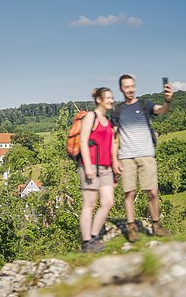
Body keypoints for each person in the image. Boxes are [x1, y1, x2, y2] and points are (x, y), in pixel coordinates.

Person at [111, 74, 173, 242]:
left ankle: (156, 225)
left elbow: (161, 111)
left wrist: (167, 101)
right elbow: (115, 137)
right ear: (121, 89)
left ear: (135, 86)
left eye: (132, 86)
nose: (130, 89)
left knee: (152, 192)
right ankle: (131, 228)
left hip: (146, 154)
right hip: (126, 157)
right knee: (129, 193)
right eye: (126, 87)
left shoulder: (145, 104)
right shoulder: (117, 110)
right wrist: (114, 160)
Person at [79, 87, 115, 253]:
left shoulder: (108, 121)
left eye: (111, 97)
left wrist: (115, 166)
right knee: (90, 204)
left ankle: (94, 236)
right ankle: (87, 242)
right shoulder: (90, 117)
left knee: (108, 202)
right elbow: (83, 142)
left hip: (106, 167)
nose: (111, 100)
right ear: (99, 100)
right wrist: (87, 167)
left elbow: (111, 145)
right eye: (107, 98)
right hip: (91, 166)